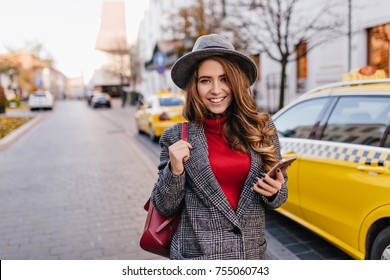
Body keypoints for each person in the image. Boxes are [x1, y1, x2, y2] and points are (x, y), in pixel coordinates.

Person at [151, 34, 288, 260]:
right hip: (198, 257)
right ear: (194, 86)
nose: (216, 90)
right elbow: (164, 207)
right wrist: (174, 170)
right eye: (205, 80)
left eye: (224, 79)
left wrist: (275, 191)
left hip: (251, 256)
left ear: (236, 82)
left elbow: (280, 196)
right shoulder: (175, 136)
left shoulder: (262, 128)